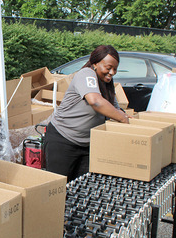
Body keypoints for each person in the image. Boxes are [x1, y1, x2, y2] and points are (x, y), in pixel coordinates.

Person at [44, 45, 129, 182]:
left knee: (81, 189)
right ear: (95, 63)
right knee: (58, 188)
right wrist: (122, 118)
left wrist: (124, 116)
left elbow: (114, 108)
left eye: (115, 69)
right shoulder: (86, 74)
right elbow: (95, 101)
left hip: (87, 146)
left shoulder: (107, 83)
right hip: (63, 140)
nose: (112, 72)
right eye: (108, 68)